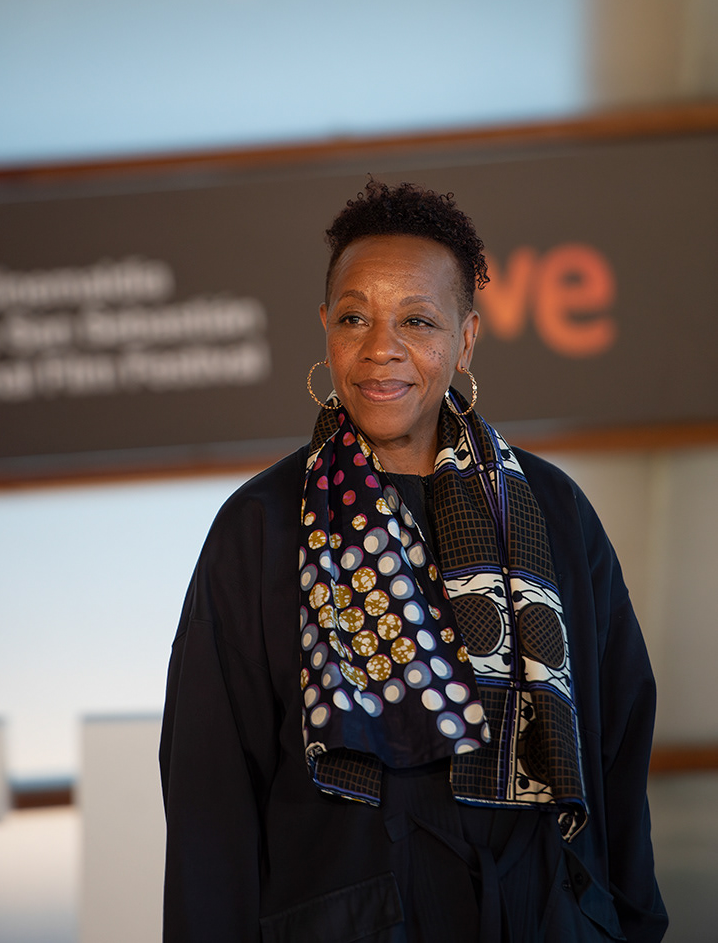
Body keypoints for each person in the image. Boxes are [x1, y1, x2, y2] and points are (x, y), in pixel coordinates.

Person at [160, 179, 667, 943]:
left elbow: (618, 739)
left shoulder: (552, 510)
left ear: (465, 338)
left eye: (417, 320)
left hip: (541, 918)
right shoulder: (261, 524)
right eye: (354, 317)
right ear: (325, 329)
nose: (380, 348)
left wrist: (622, 922)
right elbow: (210, 787)